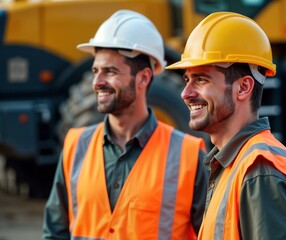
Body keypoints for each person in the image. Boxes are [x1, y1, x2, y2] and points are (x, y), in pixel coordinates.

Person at [42, 10, 208, 240]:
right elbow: (54, 232)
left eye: (110, 72)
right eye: (95, 71)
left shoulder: (188, 155)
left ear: (143, 78)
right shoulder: (75, 146)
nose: (97, 82)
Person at [166, 11, 286, 240]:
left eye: (202, 79)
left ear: (244, 88)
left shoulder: (260, 172)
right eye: (187, 80)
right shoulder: (232, 164)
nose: (185, 93)